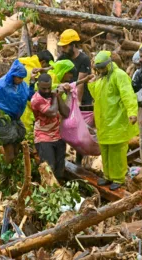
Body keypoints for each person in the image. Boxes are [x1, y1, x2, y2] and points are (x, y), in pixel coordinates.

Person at [89, 51, 138, 191]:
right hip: (104, 122)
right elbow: (97, 97)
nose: (100, 71)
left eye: (102, 68)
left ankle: (118, 178)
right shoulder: (102, 78)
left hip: (116, 121)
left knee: (117, 151)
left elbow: (128, 95)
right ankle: (108, 176)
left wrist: (132, 112)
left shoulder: (119, 75)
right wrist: (92, 85)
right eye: (99, 69)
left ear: (109, 64)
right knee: (105, 150)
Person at [57, 29, 92, 166]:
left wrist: (76, 104)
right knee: (62, 128)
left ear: (73, 45)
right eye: (62, 46)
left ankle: (78, 161)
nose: (63, 49)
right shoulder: (61, 59)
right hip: (65, 98)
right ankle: (62, 156)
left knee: (80, 130)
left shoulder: (84, 59)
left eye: (65, 46)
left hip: (82, 99)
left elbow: (81, 84)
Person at [31, 73, 70, 180]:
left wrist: (57, 96)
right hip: (43, 137)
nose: (47, 91)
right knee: (49, 168)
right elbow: (52, 112)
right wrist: (54, 96)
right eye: (44, 88)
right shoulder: (36, 99)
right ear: (38, 85)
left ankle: (58, 192)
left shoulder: (53, 95)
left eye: (49, 88)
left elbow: (66, 113)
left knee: (59, 169)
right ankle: (48, 193)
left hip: (58, 135)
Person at [19, 50, 54, 133]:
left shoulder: (25, 67)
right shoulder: (35, 74)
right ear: (43, 62)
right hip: (27, 111)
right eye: (47, 66)